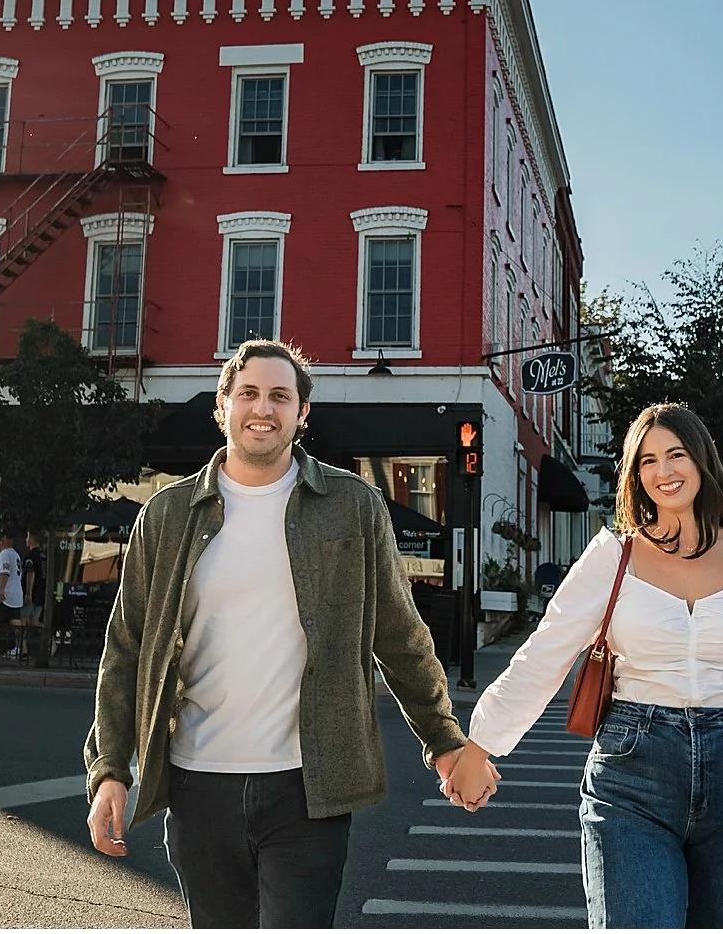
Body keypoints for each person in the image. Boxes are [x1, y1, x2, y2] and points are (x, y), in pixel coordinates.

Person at [84, 338, 497, 928]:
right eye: (248, 393)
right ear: (221, 407)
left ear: (302, 413)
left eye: (280, 395)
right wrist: (110, 769)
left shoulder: (352, 506)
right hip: (198, 782)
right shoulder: (167, 515)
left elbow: (400, 636)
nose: (263, 408)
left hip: (309, 787)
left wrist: (445, 741)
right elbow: (124, 651)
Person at [444, 403, 723, 929]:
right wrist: (481, 745)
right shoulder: (614, 557)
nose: (663, 471)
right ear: (635, 475)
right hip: (632, 771)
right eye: (648, 460)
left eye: (676, 454)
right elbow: (546, 652)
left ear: (702, 461)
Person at [20, 530, 47, 655]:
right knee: (34, 622)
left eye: (27, 537)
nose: (26, 540)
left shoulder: (30, 556)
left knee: (22, 621)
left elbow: (31, 574)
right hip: (42, 593)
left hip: (33, 594)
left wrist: (28, 593)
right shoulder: (44, 556)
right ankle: (50, 641)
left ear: (31, 538)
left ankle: (22, 649)